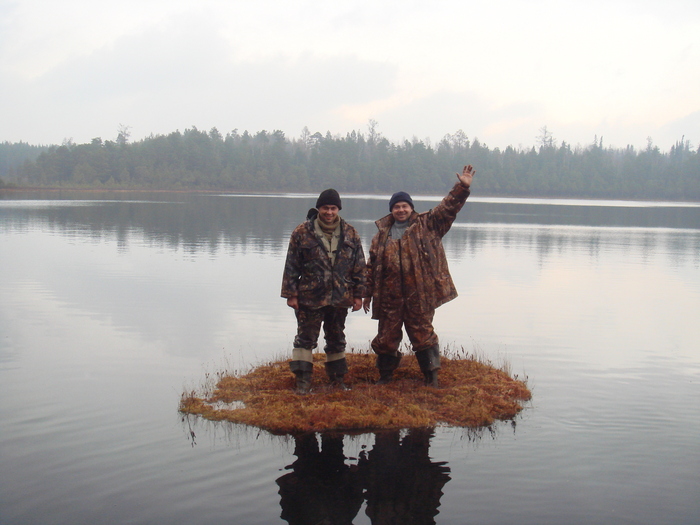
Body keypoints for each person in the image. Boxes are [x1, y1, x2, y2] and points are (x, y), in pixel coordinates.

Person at [363, 165, 476, 387]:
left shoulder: (428, 224)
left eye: (404, 206)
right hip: (390, 298)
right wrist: (367, 293)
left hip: (420, 296)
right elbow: (372, 266)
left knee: (423, 336)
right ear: (391, 210)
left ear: (411, 208)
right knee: (385, 339)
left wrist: (462, 187)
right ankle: (385, 376)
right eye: (396, 207)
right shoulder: (380, 236)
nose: (401, 210)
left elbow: (448, 208)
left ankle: (431, 376)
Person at [281, 188, 367, 393]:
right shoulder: (301, 232)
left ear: (338, 209)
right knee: (305, 339)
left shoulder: (351, 232)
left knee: (336, 338)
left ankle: (337, 380)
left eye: (333, 208)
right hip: (309, 297)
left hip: (340, 297)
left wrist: (358, 295)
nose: (329, 212)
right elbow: (291, 265)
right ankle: (303, 382)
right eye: (325, 208)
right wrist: (291, 294)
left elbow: (359, 266)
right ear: (318, 208)